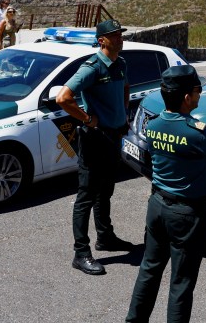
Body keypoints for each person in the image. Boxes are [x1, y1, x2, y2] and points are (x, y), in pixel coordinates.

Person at [125, 65, 206, 323]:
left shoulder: (154, 124)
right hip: (186, 213)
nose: (200, 95)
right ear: (185, 97)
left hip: (157, 205)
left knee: (149, 270)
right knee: (181, 283)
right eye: (197, 91)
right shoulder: (200, 132)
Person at [56, 18, 133, 275]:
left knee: (106, 190)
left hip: (113, 137)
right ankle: (81, 253)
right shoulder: (92, 67)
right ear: (102, 41)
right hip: (94, 138)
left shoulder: (120, 63)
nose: (120, 38)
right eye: (115, 35)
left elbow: (125, 87)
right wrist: (88, 118)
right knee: (86, 195)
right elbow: (63, 98)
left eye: (120, 34)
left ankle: (105, 237)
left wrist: (124, 115)